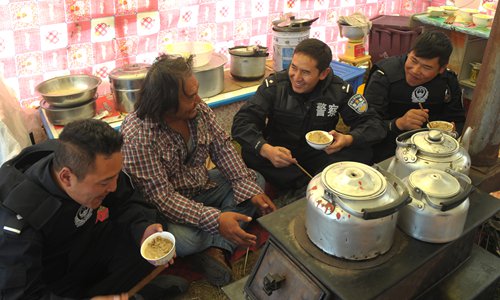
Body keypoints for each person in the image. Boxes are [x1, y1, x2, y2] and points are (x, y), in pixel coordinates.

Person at [120, 54, 276, 287]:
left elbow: (222, 147)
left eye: (196, 92)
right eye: (190, 96)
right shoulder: (138, 136)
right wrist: (216, 219)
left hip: (202, 187)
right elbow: (162, 199)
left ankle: (216, 248)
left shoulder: (197, 109)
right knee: (185, 241)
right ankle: (217, 240)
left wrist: (247, 187)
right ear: (166, 102)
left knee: (254, 181)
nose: (198, 99)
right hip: (165, 210)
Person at [0, 119, 188, 299]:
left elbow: (124, 200)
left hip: (86, 243)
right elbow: (20, 294)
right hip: (53, 277)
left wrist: (142, 229)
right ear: (66, 177)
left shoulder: (89, 162)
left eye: (115, 176)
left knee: (147, 237)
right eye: (105, 182)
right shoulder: (19, 220)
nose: (114, 187)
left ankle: (129, 291)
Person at [231, 38, 386, 192]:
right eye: (293, 67)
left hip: (320, 154)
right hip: (279, 154)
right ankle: (314, 184)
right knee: (250, 152)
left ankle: (307, 183)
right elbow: (242, 122)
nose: (297, 77)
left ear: (323, 73)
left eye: (305, 72)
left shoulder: (340, 90)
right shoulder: (275, 86)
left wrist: (347, 139)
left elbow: (373, 124)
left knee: (363, 150)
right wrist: (266, 149)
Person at [364, 31, 466, 163]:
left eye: (426, 67)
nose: (415, 71)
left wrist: (453, 132)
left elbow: (458, 120)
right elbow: (366, 125)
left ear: (441, 68)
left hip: (432, 151)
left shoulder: (447, 81)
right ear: (409, 53)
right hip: (386, 149)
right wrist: (398, 123)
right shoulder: (383, 75)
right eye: (413, 60)